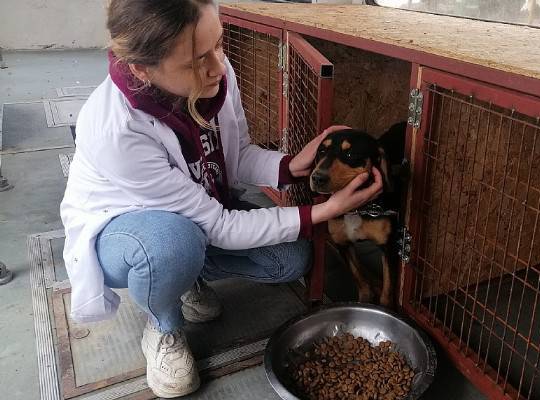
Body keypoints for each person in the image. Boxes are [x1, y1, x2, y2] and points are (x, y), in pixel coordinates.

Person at [59, 0, 383, 397]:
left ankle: (187, 275)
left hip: (197, 211)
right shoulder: (118, 128)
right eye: (197, 60)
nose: (217, 66)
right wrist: (326, 210)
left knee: (291, 259)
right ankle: (163, 323)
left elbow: (236, 154)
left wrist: (289, 166)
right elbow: (220, 226)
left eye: (219, 44)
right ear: (143, 69)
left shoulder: (217, 74)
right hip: (128, 230)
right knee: (172, 245)